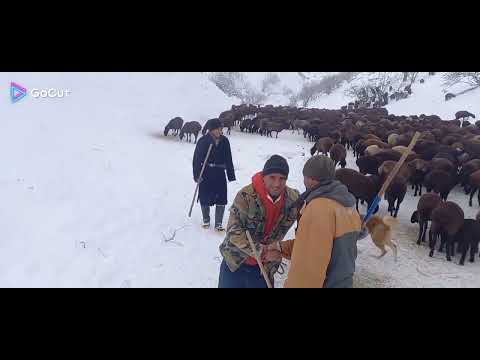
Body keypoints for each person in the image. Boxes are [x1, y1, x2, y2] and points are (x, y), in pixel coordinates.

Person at [275, 155, 364, 288]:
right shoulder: (347, 204)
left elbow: (309, 267)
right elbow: (322, 247)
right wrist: (280, 247)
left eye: (304, 176)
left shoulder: (318, 209)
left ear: (311, 178)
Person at [218, 155, 300, 288]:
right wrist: (263, 252)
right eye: (272, 177)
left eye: (282, 179)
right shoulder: (246, 196)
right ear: (264, 176)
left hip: (264, 270)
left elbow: (308, 219)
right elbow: (234, 231)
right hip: (236, 262)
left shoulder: (293, 200)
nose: (277, 184)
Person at [193, 119, 236, 231]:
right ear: (212, 129)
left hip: (220, 173)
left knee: (221, 197)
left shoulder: (225, 141)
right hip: (206, 172)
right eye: (219, 129)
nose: (221, 131)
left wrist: (230, 174)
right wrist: (197, 175)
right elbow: (196, 159)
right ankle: (206, 219)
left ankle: (218, 223)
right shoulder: (203, 141)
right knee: (204, 196)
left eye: (221, 128)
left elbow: (228, 158)